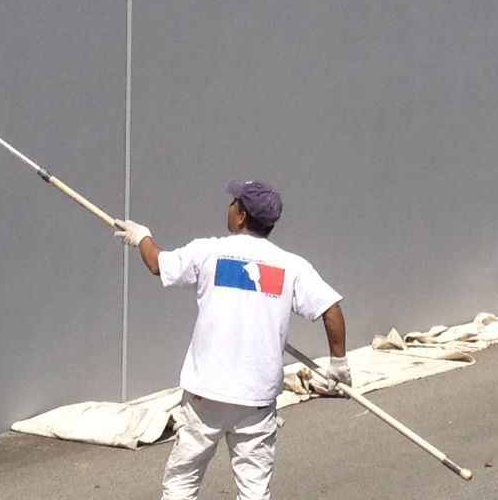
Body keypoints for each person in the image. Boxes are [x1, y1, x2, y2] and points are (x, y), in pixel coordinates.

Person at [114, 181, 348, 500]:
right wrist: (339, 364)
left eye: (234, 202)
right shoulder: (293, 266)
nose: (230, 206)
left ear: (241, 216)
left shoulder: (209, 251)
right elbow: (330, 308)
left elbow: (157, 263)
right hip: (256, 397)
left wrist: (141, 236)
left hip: (205, 394)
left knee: (182, 482)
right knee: (254, 489)